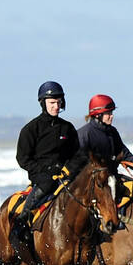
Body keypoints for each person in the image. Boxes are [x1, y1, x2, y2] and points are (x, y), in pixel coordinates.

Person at [13, 80, 78, 245]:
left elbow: (78, 155)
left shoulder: (68, 128)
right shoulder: (31, 129)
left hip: (66, 177)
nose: (56, 106)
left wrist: (69, 169)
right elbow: (23, 158)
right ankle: (21, 223)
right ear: (43, 103)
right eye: (52, 103)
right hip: (42, 178)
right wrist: (45, 170)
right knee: (47, 184)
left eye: (58, 102)